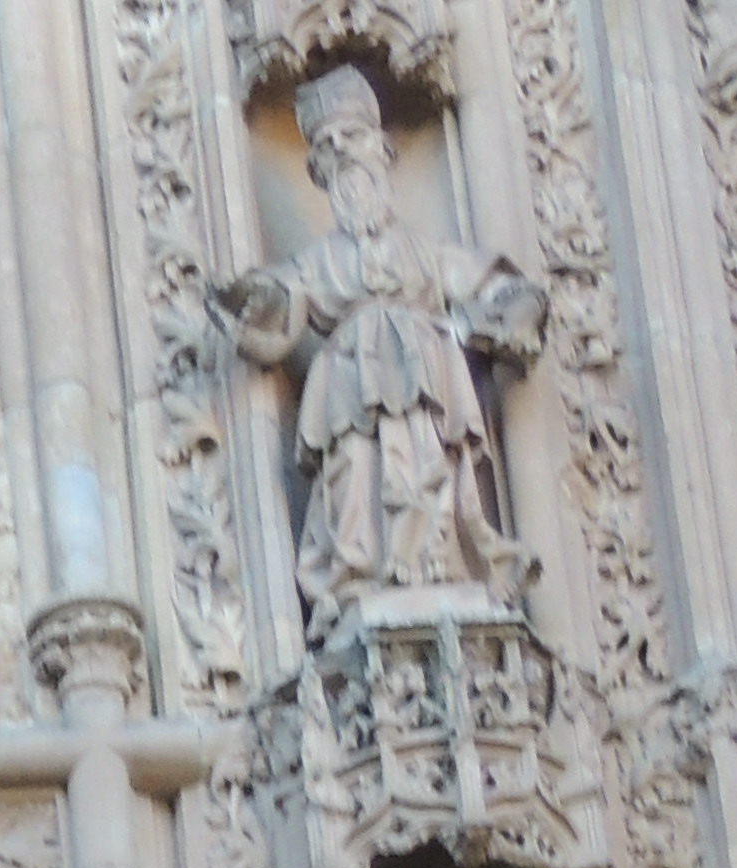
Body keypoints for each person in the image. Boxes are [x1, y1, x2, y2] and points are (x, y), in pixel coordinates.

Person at [219, 63, 544, 619]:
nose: (342, 151)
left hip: (427, 388)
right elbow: (282, 299)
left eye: (352, 136)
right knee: (356, 480)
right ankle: (361, 576)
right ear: (319, 175)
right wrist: (253, 301)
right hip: (350, 398)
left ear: (382, 151)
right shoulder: (320, 262)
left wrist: (505, 310)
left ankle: (437, 565)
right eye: (326, 146)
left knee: (429, 472)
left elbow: (495, 287)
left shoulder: (425, 255)